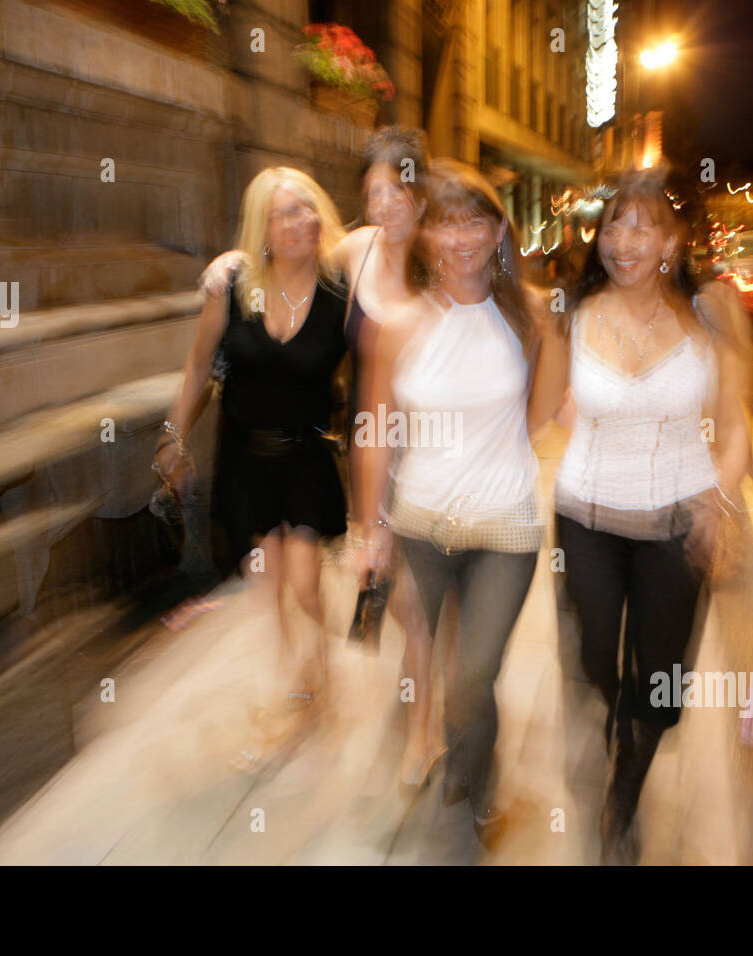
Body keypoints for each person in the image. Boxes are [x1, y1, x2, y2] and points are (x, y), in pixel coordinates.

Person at [201, 129, 446, 793]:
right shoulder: (355, 254)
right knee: (392, 593)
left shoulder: (446, 253)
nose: (389, 202)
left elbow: (500, 301)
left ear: (423, 193)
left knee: (422, 601)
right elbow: (282, 253)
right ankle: (381, 700)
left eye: (401, 187)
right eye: (375, 191)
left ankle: (427, 720)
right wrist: (229, 262)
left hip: (442, 448)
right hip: (377, 447)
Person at [527, 161, 753, 864]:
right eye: (615, 223)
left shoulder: (714, 311)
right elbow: (541, 407)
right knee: (595, 659)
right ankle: (614, 722)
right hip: (588, 517)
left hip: (679, 523)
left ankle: (624, 792)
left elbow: (738, 422)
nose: (624, 241)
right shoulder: (572, 310)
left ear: (675, 240)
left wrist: (721, 500)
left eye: (644, 225)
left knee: (658, 683)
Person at [352, 159, 549, 851]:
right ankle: (474, 775)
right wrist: (368, 528)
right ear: (426, 235)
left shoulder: (529, 317)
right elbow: (374, 433)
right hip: (423, 526)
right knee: (441, 665)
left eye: (476, 220)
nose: (461, 236)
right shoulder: (397, 325)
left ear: (499, 231)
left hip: (507, 526)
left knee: (475, 672)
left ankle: (465, 787)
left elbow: (539, 417)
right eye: (445, 222)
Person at [156, 166, 349, 774]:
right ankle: (291, 693)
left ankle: (317, 665)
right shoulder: (234, 286)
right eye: (286, 212)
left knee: (303, 585)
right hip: (244, 459)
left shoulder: (341, 291)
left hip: (306, 457)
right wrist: (173, 436)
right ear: (261, 227)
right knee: (265, 589)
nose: (302, 221)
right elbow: (196, 367)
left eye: (309, 208)